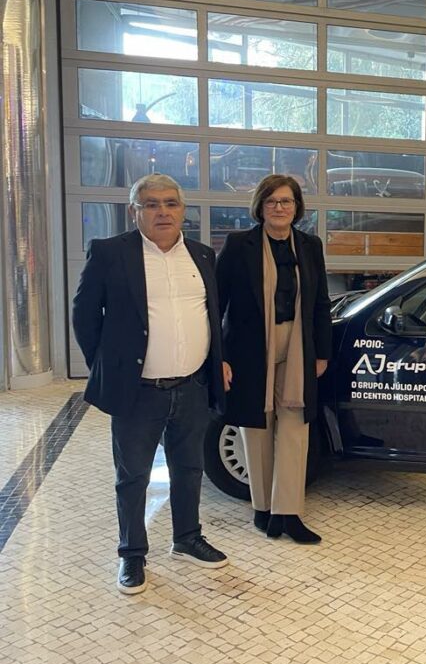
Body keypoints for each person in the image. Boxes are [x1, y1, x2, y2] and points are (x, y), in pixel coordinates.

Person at [72, 174, 229, 595]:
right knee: (133, 476)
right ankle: (132, 553)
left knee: (190, 468)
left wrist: (217, 361)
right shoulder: (111, 253)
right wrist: (108, 366)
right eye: (152, 204)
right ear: (134, 211)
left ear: (183, 210)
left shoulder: (201, 255)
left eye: (171, 203)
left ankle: (187, 537)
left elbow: (211, 315)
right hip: (138, 392)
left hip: (192, 386)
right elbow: (84, 316)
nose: (163, 212)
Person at [216, 174, 331, 544]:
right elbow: (216, 302)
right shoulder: (239, 245)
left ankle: (289, 512)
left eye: (286, 201)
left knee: (295, 425)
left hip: (298, 345)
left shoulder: (310, 246)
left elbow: (321, 301)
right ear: (260, 207)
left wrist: (322, 352)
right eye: (272, 201)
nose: (279, 208)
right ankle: (263, 507)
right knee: (258, 426)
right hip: (250, 348)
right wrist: (220, 357)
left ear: (297, 207)